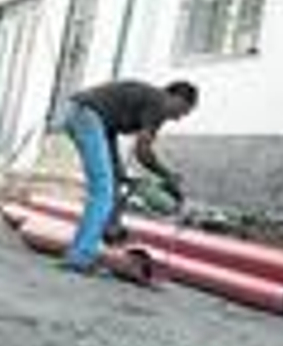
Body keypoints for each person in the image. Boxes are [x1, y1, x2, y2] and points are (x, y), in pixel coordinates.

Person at [57, 79, 199, 273]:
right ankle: (80, 258)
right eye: (183, 110)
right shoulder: (158, 104)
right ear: (175, 97)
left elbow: (113, 131)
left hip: (96, 120)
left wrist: (121, 173)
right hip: (87, 116)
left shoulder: (153, 101)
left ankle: (109, 232)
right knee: (102, 192)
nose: (179, 117)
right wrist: (168, 175)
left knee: (113, 183)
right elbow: (143, 152)